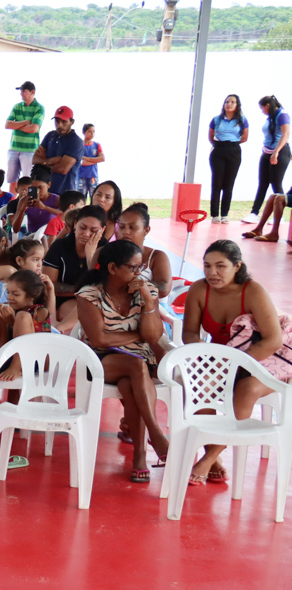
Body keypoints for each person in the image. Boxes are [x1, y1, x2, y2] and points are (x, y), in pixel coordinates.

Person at [181, 239, 286, 484]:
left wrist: (236, 364)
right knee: (197, 384)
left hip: (266, 357)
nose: (212, 273)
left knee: (247, 389)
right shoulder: (198, 289)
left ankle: (208, 459)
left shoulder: (253, 291)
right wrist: (204, 358)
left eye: (220, 266)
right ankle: (212, 455)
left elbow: (273, 340)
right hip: (223, 357)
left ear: (237, 266)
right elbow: (189, 333)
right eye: (207, 266)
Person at [74, 239, 170, 480]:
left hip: (139, 360)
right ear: (113, 268)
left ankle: (140, 455)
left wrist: (148, 301)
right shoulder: (89, 295)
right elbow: (99, 339)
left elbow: (154, 335)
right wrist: (138, 335)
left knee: (130, 382)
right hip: (100, 361)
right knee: (136, 365)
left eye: (141, 268)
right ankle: (156, 434)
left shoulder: (146, 291)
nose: (139, 273)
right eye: (133, 268)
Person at [42, 203, 106, 329]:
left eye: (93, 231)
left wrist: (91, 257)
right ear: (75, 224)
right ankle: (59, 330)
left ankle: (59, 330)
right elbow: (48, 284)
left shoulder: (105, 249)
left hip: (94, 302)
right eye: (82, 227)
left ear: (102, 230)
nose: (86, 234)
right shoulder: (60, 246)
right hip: (58, 301)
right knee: (84, 313)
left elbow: (104, 288)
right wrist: (82, 290)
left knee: (90, 311)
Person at [243, 95, 292, 236]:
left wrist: (276, 152)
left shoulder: (282, 115)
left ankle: (279, 215)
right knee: (263, 183)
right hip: (266, 152)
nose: (262, 111)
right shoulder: (270, 117)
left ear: (268, 106)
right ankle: (254, 213)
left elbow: (285, 134)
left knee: (276, 183)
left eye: (262, 108)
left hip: (280, 152)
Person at [208, 94, 250, 223]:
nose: (229, 104)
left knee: (229, 184)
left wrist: (232, 145)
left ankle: (224, 214)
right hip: (219, 150)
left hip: (234, 150)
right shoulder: (217, 119)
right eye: (227, 102)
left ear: (237, 105)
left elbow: (244, 138)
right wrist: (218, 145)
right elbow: (211, 136)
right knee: (217, 183)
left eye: (232, 102)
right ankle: (215, 214)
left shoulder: (242, 120)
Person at [32, 106, 85, 195]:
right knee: (29, 207)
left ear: (72, 122)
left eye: (64, 122)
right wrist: (50, 161)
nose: (59, 125)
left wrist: (43, 164)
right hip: (38, 190)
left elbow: (63, 169)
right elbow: (34, 160)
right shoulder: (50, 135)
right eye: (57, 121)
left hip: (62, 192)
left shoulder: (76, 141)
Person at [4, 81, 44, 190]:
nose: (21, 94)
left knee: (29, 180)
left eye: (24, 91)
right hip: (14, 148)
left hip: (30, 149)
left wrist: (16, 125)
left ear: (32, 92)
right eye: (21, 91)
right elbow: (7, 124)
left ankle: (29, 203)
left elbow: (34, 128)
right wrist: (25, 122)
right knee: (12, 180)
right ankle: (12, 203)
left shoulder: (39, 108)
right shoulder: (17, 107)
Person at [77, 124, 104, 200]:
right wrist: (95, 160)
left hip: (93, 176)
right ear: (84, 132)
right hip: (81, 176)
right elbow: (80, 162)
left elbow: (102, 158)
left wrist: (86, 158)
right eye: (89, 132)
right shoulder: (79, 145)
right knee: (81, 199)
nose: (92, 134)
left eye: (93, 132)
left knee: (95, 197)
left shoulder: (97, 145)